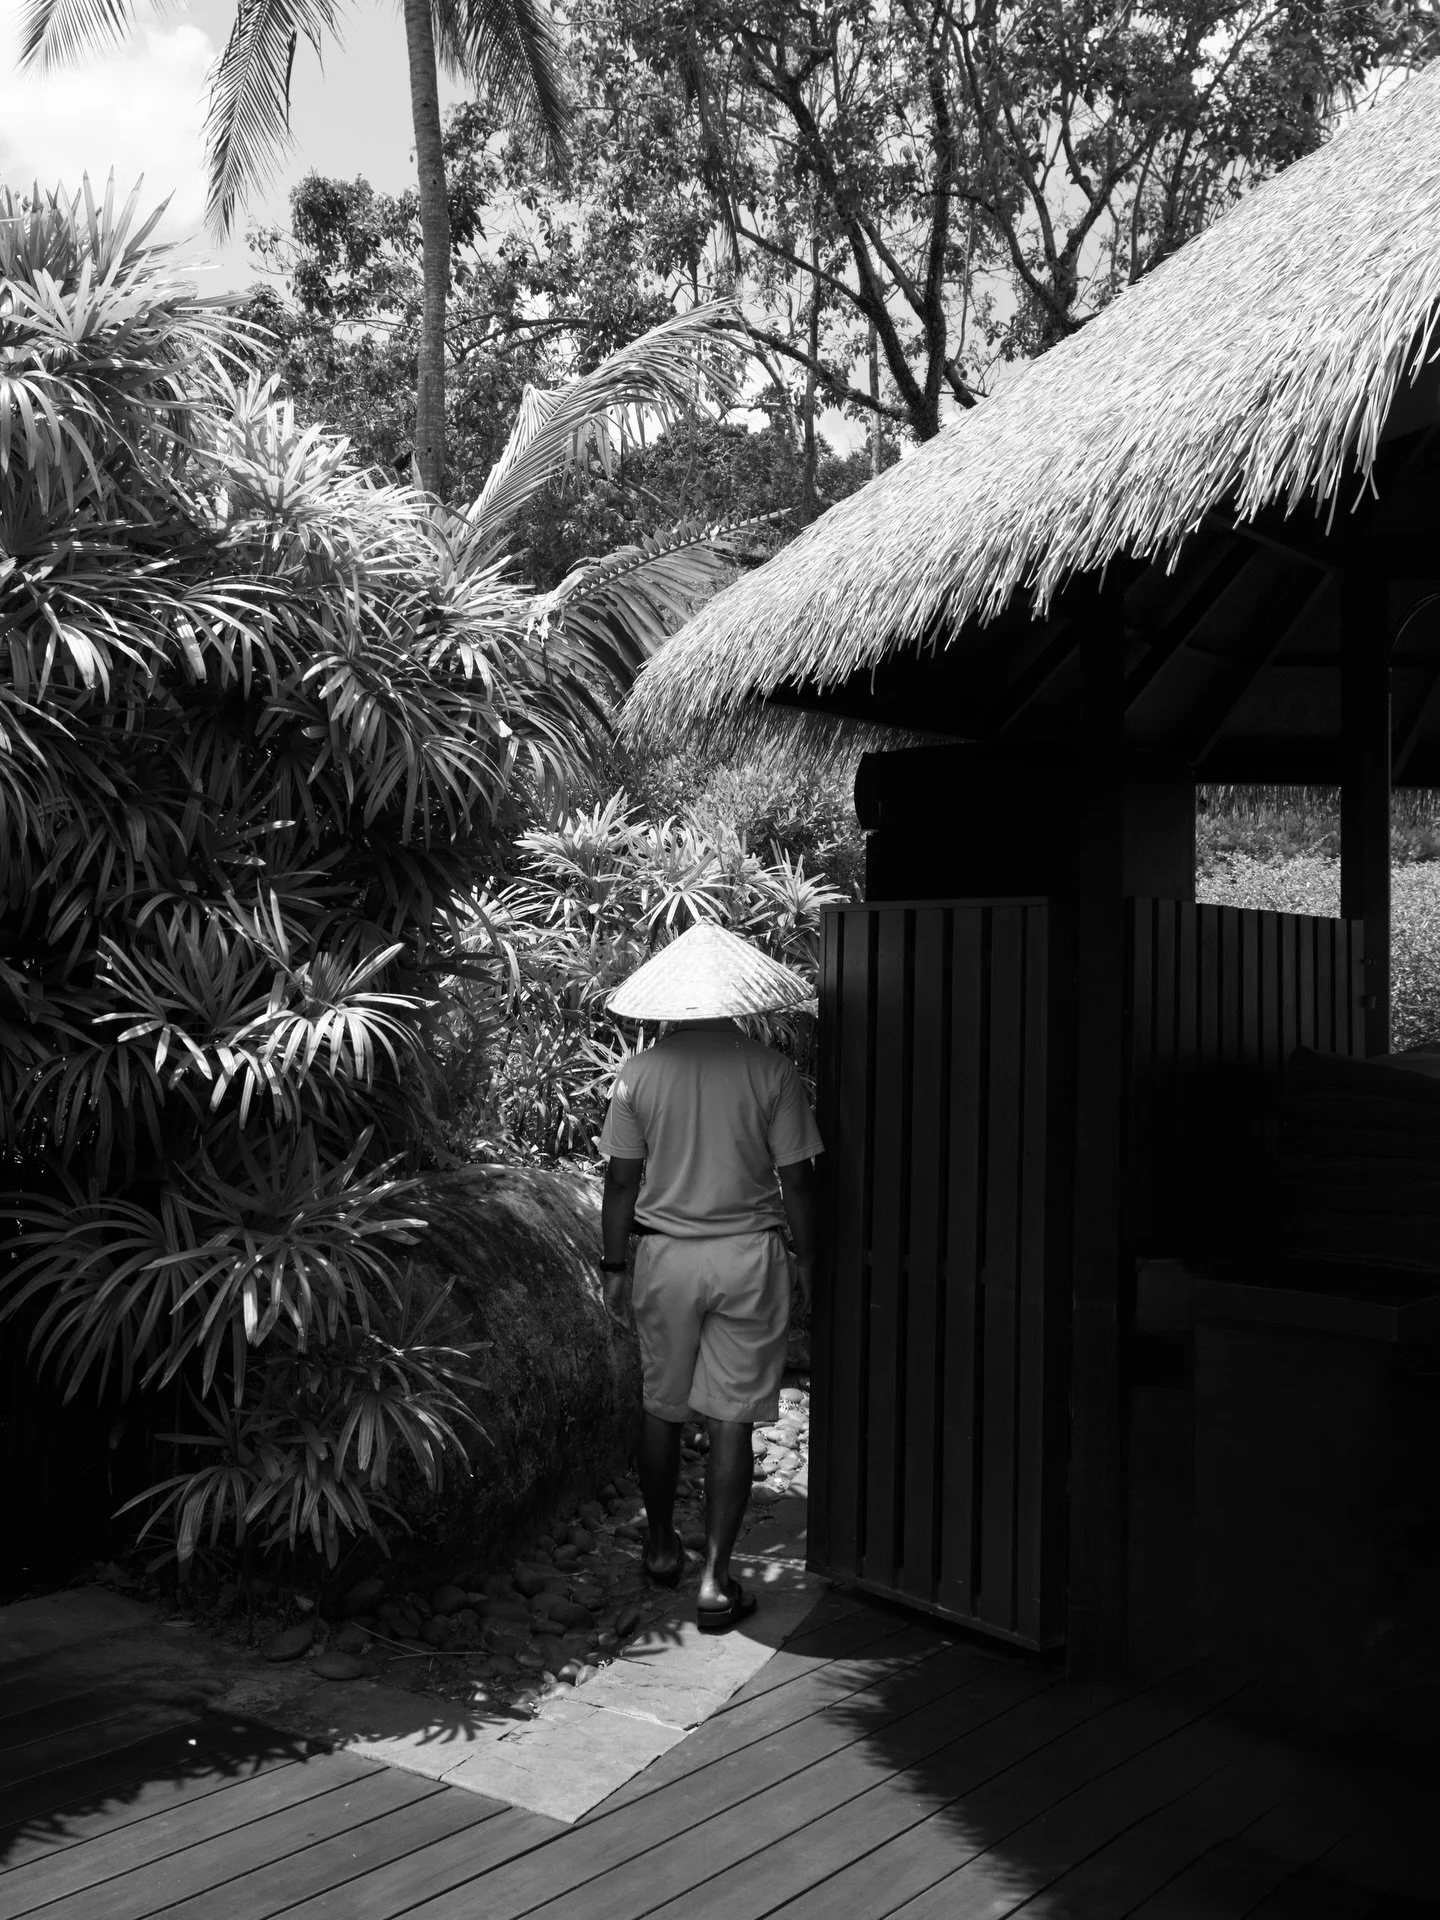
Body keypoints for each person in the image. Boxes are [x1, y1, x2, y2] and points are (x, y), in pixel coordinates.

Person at [596, 922, 822, 1633]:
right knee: (731, 1418)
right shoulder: (770, 1071)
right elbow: (796, 1181)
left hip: (666, 1256)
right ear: (739, 998)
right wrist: (810, 1255)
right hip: (748, 1256)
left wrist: (611, 1263)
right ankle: (717, 1581)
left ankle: (662, 1546)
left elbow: (619, 1183)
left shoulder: (640, 1073)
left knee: (661, 1405)